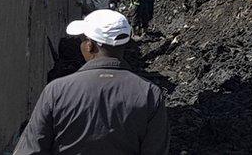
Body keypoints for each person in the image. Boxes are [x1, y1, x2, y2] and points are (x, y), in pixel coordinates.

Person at [14, 9, 170, 154]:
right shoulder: (150, 94)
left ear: (89, 46)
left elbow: (30, 149)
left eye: (83, 40)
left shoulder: (56, 91)